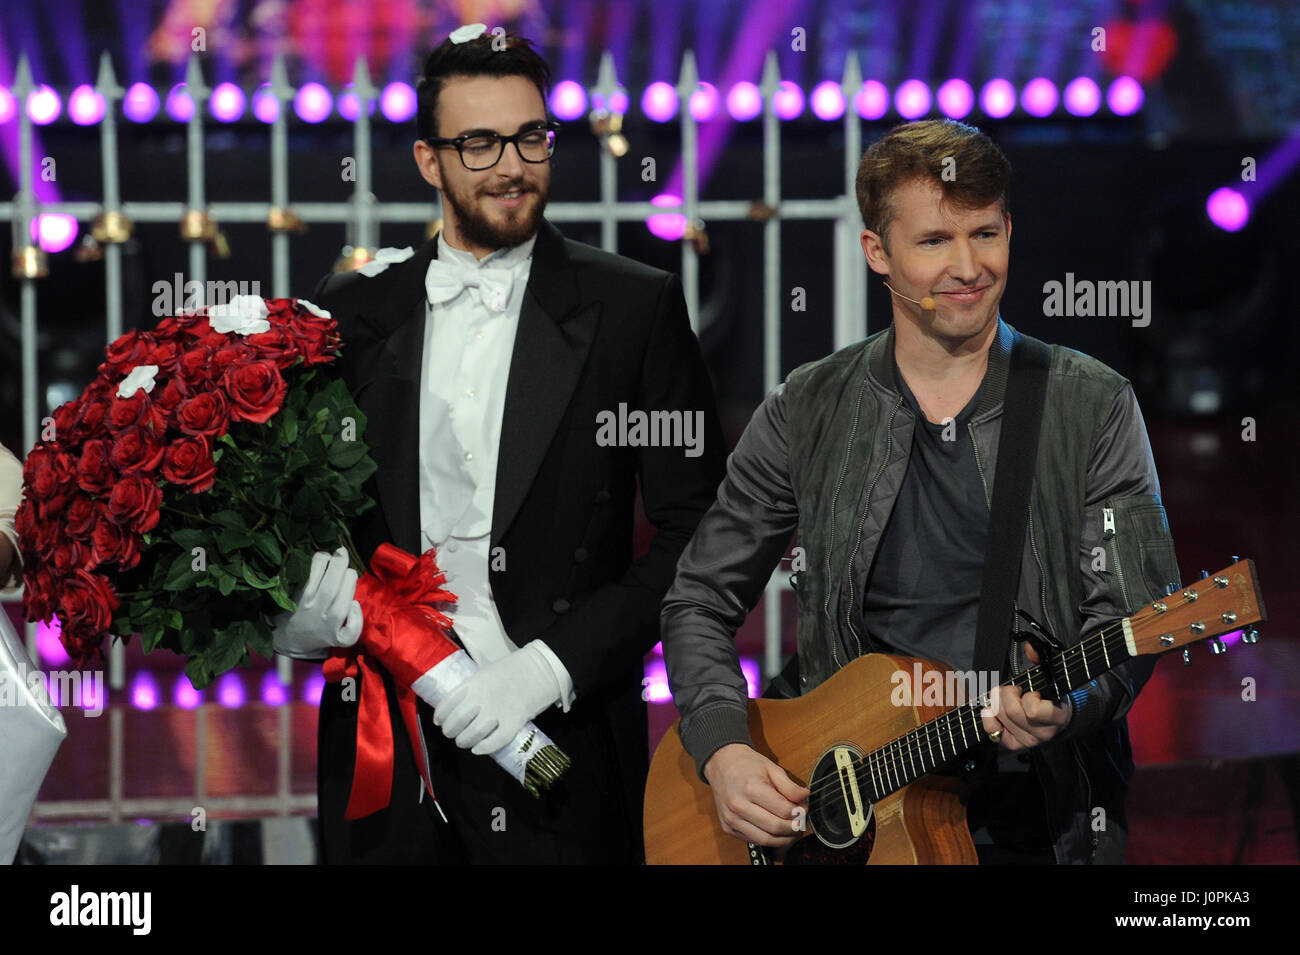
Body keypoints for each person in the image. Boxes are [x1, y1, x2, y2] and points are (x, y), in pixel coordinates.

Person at [661, 119, 1179, 864]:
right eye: (935, 240)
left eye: (985, 234)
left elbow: (1131, 620)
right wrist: (723, 750)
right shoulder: (808, 405)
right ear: (878, 251)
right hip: (840, 811)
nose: (968, 267)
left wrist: (1069, 705)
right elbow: (698, 598)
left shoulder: (1090, 403)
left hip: (1031, 816)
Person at [274, 25, 725, 863]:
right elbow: (307, 510)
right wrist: (296, 616)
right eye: (478, 143)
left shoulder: (635, 306)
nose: (511, 165)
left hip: (563, 737)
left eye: (530, 136)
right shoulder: (352, 310)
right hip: (388, 731)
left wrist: (551, 666)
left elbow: (698, 530)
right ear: (428, 160)